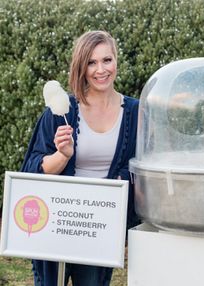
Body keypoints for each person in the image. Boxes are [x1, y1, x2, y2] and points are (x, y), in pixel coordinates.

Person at [21, 30, 139, 286]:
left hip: (99, 228)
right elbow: (31, 169)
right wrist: (62, 156)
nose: (101, 70)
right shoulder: (59, 111)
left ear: (116, 60)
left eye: (107, 60)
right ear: (81, 67)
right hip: (56, 223)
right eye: (91, 62)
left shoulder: (134, 112)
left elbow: (142, 170)